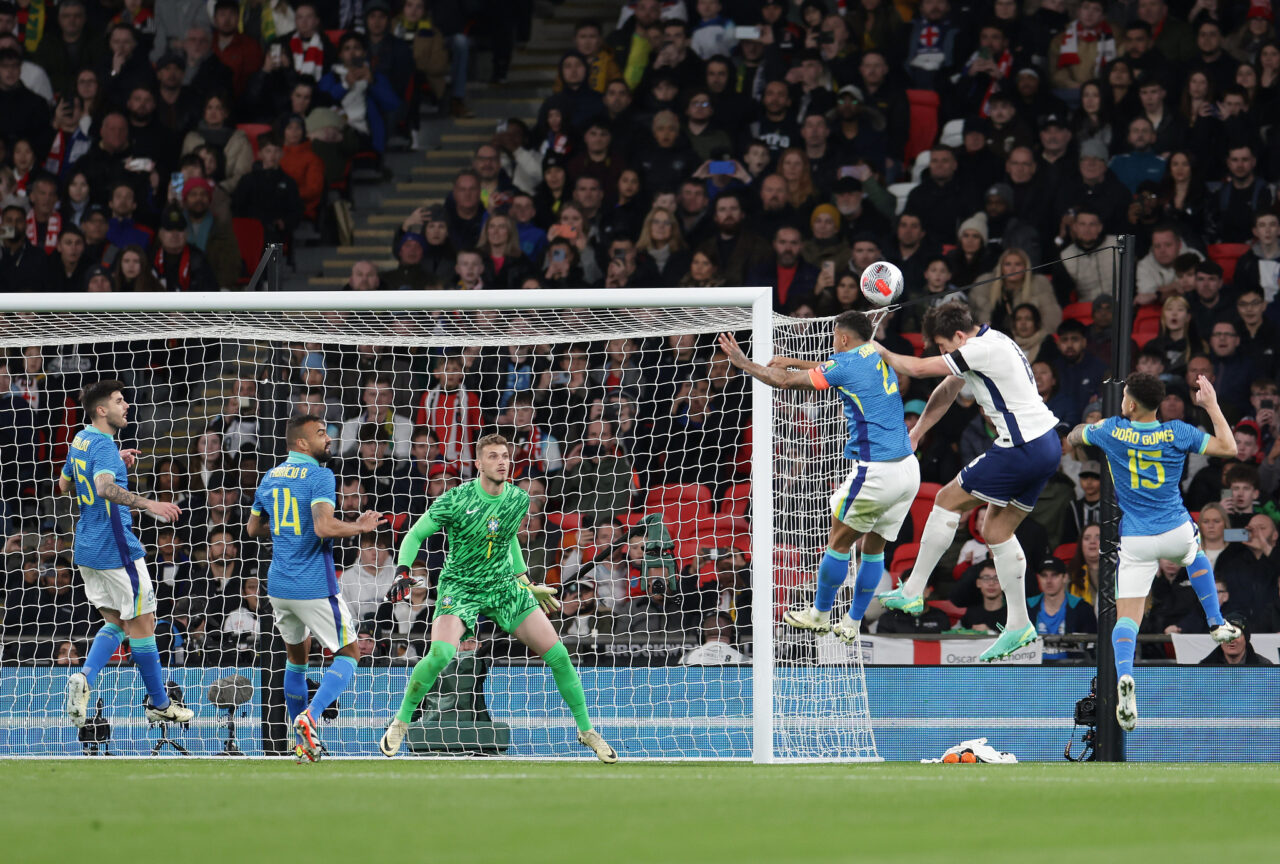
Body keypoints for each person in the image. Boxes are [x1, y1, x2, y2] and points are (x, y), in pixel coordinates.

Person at [379, 434, 618, 763]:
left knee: (559, 654)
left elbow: (509, 541)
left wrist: (527, 583)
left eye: (505, 455)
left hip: (504, 587)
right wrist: (403, 569)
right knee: (439, 655)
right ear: (478, 463)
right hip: (461, 588)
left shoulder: (519, 499)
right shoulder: (456, 499)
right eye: (493, 456)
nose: (502, 461)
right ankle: (402, 722)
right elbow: (415, 534)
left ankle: (587, 730)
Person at [875, 301, 1060, 662]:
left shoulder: (980, 348)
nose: (943, 354)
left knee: (945, 499)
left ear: (959, 336)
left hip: (1021, 447)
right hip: (1046, 447)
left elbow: (915, 367)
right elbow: (946, 389)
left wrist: (878, 348)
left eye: (944, 347)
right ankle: (1020, 623)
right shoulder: (990, 344)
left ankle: (913, 590)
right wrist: (918, 433)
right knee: (996, 532)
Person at [718, 311, 918, 640]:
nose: (832, 344)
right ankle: (852, 622)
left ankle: (819, 614)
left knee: (838, 544)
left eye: (834, 338)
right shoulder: (873, 352)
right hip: (908, 469)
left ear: (841, 338)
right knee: (874, 549)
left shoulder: (848, 364)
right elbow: (833, 369)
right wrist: (792, 360)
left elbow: (782, 382)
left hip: (877, 470)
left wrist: (744, 363)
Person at [1066, 372, 1242, 732]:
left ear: (1129, 403)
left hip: (1136, 538)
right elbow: (1230, 448)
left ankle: (1125, 677)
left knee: (1127, 615)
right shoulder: (1177, 431)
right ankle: (1215, 621)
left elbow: (1073, 438)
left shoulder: (1111, 429)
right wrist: (1210, 404)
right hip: (1175, 528)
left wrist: (1083, 430)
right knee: (1195, 557)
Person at [245, 414, 384, 763]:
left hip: (278, 585)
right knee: (350, 654)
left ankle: (303, 742)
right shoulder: (320, 474)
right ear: (302, 444)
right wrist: (359, 526)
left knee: (297, 662)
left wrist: (285, 532)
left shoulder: (270, 476)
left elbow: (252, 528)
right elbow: (323, 527)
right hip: (313, 584)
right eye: (321, 434)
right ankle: (311, 716)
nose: (328, 439)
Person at [60, 380, 192, 731]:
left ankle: (84, 678)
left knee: (117, 622)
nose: (126, 406)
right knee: (145, 624)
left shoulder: (81, 439)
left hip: (87, 548)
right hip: (116, 550)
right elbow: (103, 487)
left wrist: (113, 460)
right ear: (102, 410)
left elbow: (64, 485)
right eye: (119, 401)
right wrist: (152, 503)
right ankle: (161, 704)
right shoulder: (101, 444)